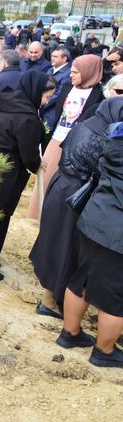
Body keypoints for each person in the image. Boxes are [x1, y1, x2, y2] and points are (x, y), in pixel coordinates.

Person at [32, 98, 123, 317]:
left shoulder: (86, 123)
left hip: (61, 184)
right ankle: (51, 302)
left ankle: (53, 297)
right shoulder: (106, 134)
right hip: (76, 193)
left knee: (54, 242)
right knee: (66, 248)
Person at [0, 72, 56, 282]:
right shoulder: (28, 118)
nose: (46, 101)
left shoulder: (0, 103)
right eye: (46, 96)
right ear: (35, 91)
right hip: (6, 172)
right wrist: (37, 164)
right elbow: (29, 156)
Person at [58, 123, 123, 368]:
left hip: (93, 219)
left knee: (81, 279)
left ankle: (69, 333)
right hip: (117, 234)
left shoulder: (114, 137)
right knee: (116, 297)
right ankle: (104, 351)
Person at [28, 54, 105, 220]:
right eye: (71, 71)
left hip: (76, 145)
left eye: (76, 72)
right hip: (56, 138)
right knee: (46, 176)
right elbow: (57, 114)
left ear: (89, 72)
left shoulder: (98, 95)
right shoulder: (66, 87)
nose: (71, 75)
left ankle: (54, 215)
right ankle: (38, 213)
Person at [41, 46, 72, 132]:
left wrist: (41, 102)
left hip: (52, 111)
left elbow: (59, 94)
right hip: (44, 107)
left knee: (46, 133)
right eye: (52, 56)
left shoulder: (67, 73)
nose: (52, 59)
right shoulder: (50, 70)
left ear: (64, 58)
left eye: (55, 57)